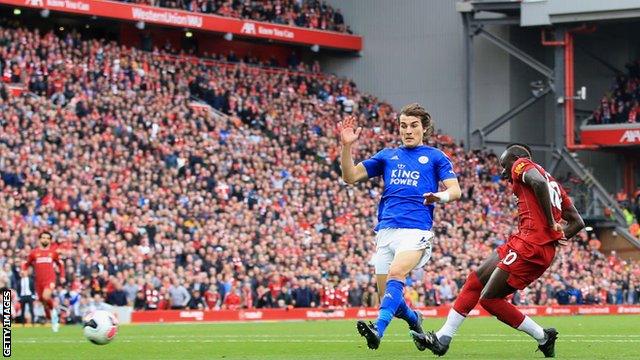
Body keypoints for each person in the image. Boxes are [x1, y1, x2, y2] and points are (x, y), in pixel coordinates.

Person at [411, 143, 585, 358]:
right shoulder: (555, 184)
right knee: (474, 280)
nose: (503, 172)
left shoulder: (521, 164)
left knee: (489, 299)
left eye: (504, 165)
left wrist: (550, 225)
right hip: (524, 241)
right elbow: (577, 221)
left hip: (531, 245)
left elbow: (537, 182)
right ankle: (443, 338)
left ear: (516, 159)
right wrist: (555, 237)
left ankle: (543, 337)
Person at [339, 103, 461, 350]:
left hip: (416, 231)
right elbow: (349, 177)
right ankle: (414, 318)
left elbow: (455, 190)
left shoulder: (436, 156)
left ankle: (377, 330)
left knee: (397, 273)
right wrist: (347, 146)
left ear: (424, 128)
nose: (408, 130)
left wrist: (440, 196)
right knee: (390, 301)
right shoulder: (387, 156)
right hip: (385, 231)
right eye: (403, 126)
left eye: (414, 126)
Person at [23, 231, 66, 332]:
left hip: (50, 280)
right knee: (43, 302)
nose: (45, 239)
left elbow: (60, 264)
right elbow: (26, 264)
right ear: (40, 239)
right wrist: (23, 270)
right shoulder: (34, 253)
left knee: (46, 297)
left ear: (50, 240)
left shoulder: (53, 253)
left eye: (47, 238)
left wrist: (62, 276)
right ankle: (52, 319)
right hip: (38, 282)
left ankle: (54, 312)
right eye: (43, 238)